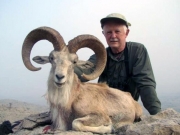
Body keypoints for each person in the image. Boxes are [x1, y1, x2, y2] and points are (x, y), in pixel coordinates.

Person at [74, 13, 161, 115]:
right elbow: (86, 70)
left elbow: (145, 83)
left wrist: (157, 114)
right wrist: (65, 67)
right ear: (104, 34)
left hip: (126, 107)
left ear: (126, 33)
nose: (113, 36)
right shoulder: (100, 55)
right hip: (104, 107)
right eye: (109, 32)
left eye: (117, 31)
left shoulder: (137, 51)